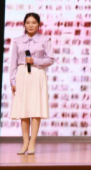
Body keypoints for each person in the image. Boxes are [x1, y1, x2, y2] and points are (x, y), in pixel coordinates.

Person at [9, 12, 56, 155]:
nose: (30, 25)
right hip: (22, 75)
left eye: (34, 22)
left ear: (39, 25)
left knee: (36, 110)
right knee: (23, 111)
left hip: (37, 74)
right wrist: (12, 81)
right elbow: (13, 63)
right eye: (28, 22)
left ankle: (32, 143)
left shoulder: (45, 40)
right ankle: (25, 143)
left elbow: (50, 59)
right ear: (24, 24)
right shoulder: (17, 41)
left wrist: (35, 61)